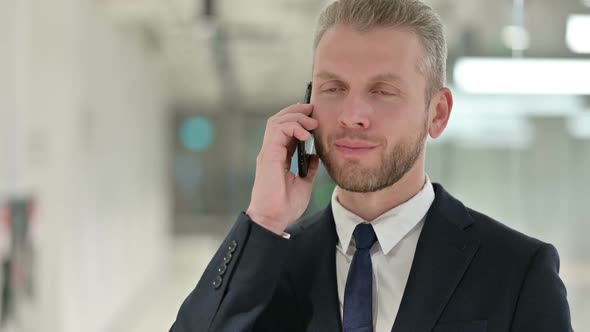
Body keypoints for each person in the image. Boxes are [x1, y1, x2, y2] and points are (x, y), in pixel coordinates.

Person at [170, 0, 573, 331]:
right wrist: (262, 220)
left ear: (437, 113)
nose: (352, 115)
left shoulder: (517, 271)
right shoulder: (267, 266)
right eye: (334, 88)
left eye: (382, 91)